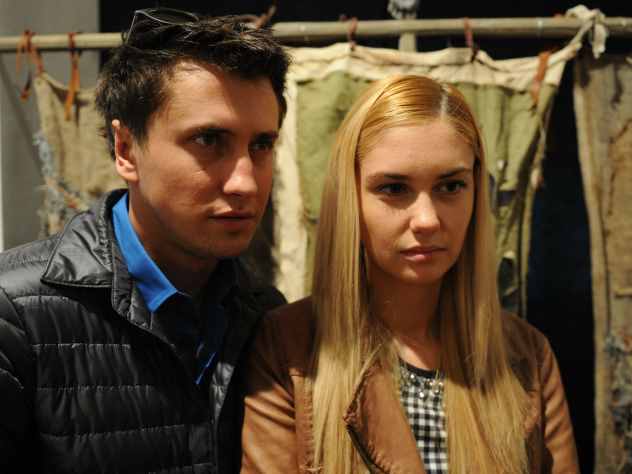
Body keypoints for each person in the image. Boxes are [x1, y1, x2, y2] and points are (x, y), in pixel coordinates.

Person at [240, 75, 579, 473]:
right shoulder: (289, 349)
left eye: (450, 186)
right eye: (394, 188)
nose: (427, 220)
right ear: (350, 197)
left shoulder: (525, 355)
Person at [0, 9, 290, 473]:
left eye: (261, 145)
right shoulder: (15, 315)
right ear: (125, 149)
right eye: (209, 140)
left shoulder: (266, 314)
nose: (246, 183)